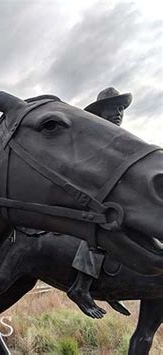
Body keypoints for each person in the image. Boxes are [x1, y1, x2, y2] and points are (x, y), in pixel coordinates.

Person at [67, 87, 132, 319]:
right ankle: (81, 287)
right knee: (103, 228)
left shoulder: (124, 140)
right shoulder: (95, 140)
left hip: (116, 197)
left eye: (120, 108)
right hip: (92, 198)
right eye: (111, 109)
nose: (117, 113)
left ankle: (111, 290)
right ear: (100, 113)